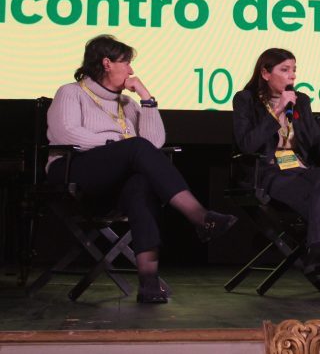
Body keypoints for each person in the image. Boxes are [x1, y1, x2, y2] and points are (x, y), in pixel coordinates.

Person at [46, 35, 237, 304]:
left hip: (113, 183)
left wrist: (146, 99)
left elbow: (154, 144)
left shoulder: (128, 104)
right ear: (107, 63)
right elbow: (67, 134)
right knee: (135, 147)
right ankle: (201, 217)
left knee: (141, 186)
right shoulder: (71, 92)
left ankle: (149, 282)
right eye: (126, 63)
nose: (131, 70)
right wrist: (117, 144)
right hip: (73, 170)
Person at [231, 48, 320, 298]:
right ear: (265, 73)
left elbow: (316, 146)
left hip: (300, 171)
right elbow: (246, 145)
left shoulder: (302, 101)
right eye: (285, 70)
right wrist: (277, 113)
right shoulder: (246, 100)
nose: (292, 76)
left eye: (294, 70)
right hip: (268, 173)